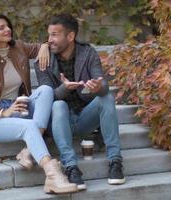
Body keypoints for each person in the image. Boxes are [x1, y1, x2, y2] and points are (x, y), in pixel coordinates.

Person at [0, 13, 77, 194]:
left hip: (18, 106)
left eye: (8, 26)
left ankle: (28, 150)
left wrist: (42, 47)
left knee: (46, 90)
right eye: (1, 28)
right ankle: (52, 176)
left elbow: (47, 44)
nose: (8, 29)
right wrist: (3, 112)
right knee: (29, 126)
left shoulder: (18, 47)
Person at [35, 14, 125, 190]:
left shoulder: (88, 53)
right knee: (58, 105)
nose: (49, 40)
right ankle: (71, 167)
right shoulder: (43, 60)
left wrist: (98, 87)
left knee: (105, 98)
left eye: (54, 35)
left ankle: (115, 162)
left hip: (84, 118)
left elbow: (103, 85)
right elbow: (45, 98)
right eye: (49, 35)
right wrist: (64, 88)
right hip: (58, 122)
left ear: (70, 36)